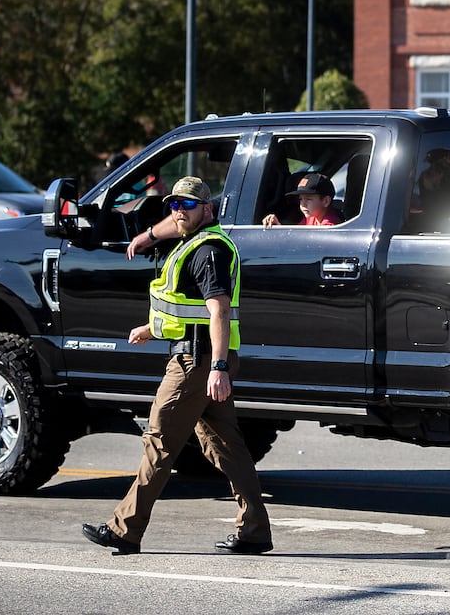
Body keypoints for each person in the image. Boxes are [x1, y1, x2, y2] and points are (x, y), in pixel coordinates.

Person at [83, 177, 273, 556]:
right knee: (226, 446)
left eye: (188, 205)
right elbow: (185, 312)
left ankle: (124, 529)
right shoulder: (193, 241)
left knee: (159, 441)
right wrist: (150, 328)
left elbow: (217, 310)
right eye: (175, 205)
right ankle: (254, 531)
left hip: (196, 362)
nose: (179, 211)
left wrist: (218, 367)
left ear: (207, 208)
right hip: (200, 355)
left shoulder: (208, 251)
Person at [262, 172, 341, 228]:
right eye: (300, 199)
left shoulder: (329, 227)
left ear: (325, 201)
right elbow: (296, 237)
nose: (303, 204)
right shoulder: (312, 218)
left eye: (308, 199)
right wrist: (278, 225)